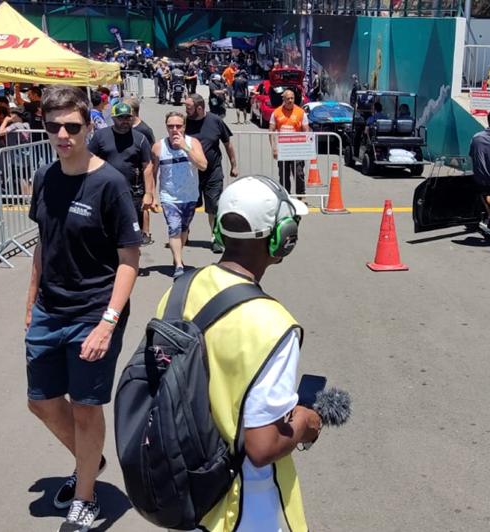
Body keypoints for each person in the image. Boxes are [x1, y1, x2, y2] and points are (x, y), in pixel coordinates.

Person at [154, 175, 318, 532]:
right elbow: (261, 445)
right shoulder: (273, 324)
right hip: (241, 501)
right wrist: (306, 422)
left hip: (184, 483)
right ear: (282, 237)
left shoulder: (181, 290)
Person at [25, 85, 142, 532]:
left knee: (84, 406)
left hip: (95, 312)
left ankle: (87, 498)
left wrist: (107, 324)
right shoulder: (45, 177)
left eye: (72, 126)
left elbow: (129, 259)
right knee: (40, 401)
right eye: (53, 126)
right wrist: (30, 301)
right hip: (49, 310)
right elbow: (43, 243)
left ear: (89, 127)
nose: (62, 135)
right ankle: (89, 459)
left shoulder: (109, 183)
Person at [89, 102, 156, 248]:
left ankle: (131, 264)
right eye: (121, 118)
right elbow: (89, 160)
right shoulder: (100, 136)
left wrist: (149, 194)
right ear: (113, 118)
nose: (125, 121)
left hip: (132, 193)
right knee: (106, 230)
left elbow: (147, 166)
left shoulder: (140, 138)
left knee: (131, 234)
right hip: (104, 191)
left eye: (128, 118)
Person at [152, 111, 207, 278]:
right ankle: (178, 264)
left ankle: (178, 255)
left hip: (189, 195)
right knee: (174, 228)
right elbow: (152, 172)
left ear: (184, 127)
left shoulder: (193, 142)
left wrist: (185, 148)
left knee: (183, 229)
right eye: (170, 126)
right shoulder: (159, 146)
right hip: (169, 196)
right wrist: (152, 194)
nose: (174, 129)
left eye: (178, 126)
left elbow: (203, 165)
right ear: (166, 127)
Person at [185, 94, 237, 253]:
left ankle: (216, 238)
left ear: (199, 108)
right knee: (188, 205)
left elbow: (228, 144)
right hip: (191, 172)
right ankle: (183, 234)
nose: (186, 110)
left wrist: (234, 165)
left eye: (189, 107)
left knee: (214, 206)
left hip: (213, 172)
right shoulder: (184, 123)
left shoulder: (215, 121)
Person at [269, 89, 309, 195]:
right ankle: (286, 196)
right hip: (283, 149)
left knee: (299, 173)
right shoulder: (276, 112)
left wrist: (306, 148)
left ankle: (301, 196)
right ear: (283, 99)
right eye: (288, 99)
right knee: (283, 175)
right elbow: (271, 131)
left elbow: (306, 131)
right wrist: (274, 148)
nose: (290, 100)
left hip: (297, 149)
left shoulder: (301, 112)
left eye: (292, 98)